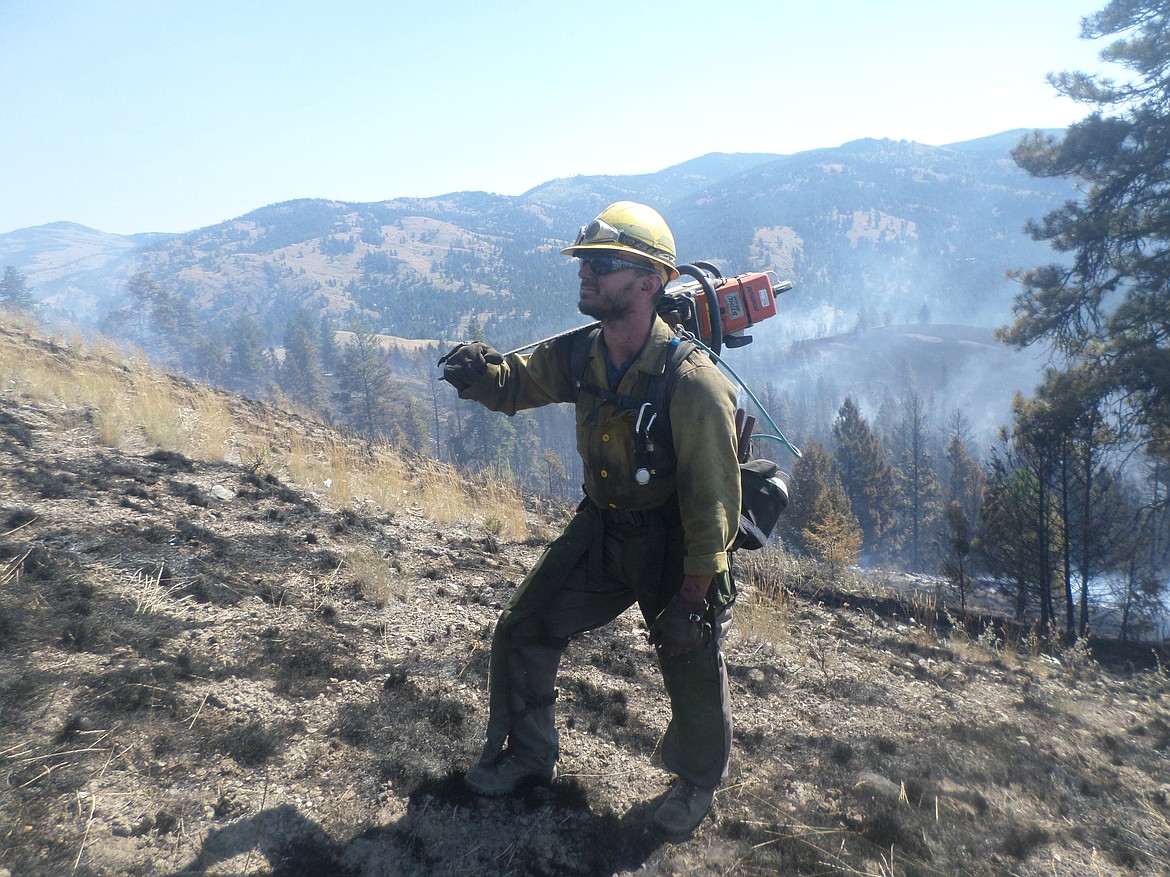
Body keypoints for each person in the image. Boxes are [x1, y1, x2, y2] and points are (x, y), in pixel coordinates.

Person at [440, 201, 741, 838]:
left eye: (603, 265)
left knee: (688, 654)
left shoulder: (694, 384)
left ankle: (695, 782)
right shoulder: (583, 355)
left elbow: (713, 504)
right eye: (584, 263)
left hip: (672, 542)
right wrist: (478, 375)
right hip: (601, 528)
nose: (587, 275)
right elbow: (517, 382)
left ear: (650, 282)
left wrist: (693, 594)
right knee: (525, 625)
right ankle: (528, 757)